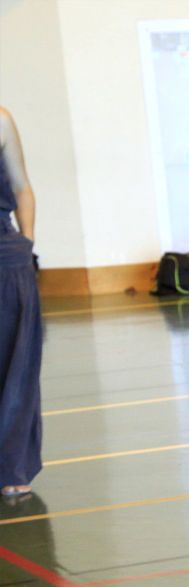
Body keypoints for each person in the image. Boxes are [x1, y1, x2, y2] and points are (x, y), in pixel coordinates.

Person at [0, 104, 42, 500]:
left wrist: (26, 245)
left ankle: (12, 465)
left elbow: (22, 187)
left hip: (6, 258)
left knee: (15, 365)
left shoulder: (1, 119)